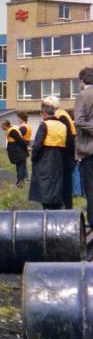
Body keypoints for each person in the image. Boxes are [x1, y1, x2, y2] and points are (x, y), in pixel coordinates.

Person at [29, 102, 67, 209]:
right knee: (55, 184)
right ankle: (56, 208)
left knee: (44, 186)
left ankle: (47, 211)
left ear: (44, 113)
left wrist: (33, 158)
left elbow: (37, 145)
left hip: (44, 159)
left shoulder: (44, 125)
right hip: (59, 159)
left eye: (41, 114)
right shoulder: (62, 126)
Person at [44, 95, 76, 209]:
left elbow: (68, 139)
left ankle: (67, 210)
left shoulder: (61, 117)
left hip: (65, 157)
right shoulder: (63, 114)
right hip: (67, 156)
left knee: (65, 185)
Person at [74, 67, 93, 225]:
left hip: (89, 150)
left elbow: (79, 121)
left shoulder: (83, 96)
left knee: (90, 187)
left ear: (82, 80)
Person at [1, 119, 27, 186]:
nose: (0, 127)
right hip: (17, 151)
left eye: (1, 125)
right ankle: (20, 181)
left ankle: (20, 182)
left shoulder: (12, 131)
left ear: (5, 125)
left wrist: (26, 147)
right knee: (20, 166)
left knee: (20, 167)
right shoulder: (11, 130)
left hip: (18, 151)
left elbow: (20, 140)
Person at [16, 112, 32, 180]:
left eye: (18, 118)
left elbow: (17, 136)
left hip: (21, 147)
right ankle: (26, 178)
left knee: (21, 165)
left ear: (21, 119)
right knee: (24, 164)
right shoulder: (27, 126)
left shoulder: (23, 128)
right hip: (25, 145)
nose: (17, 120)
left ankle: (21, 180)